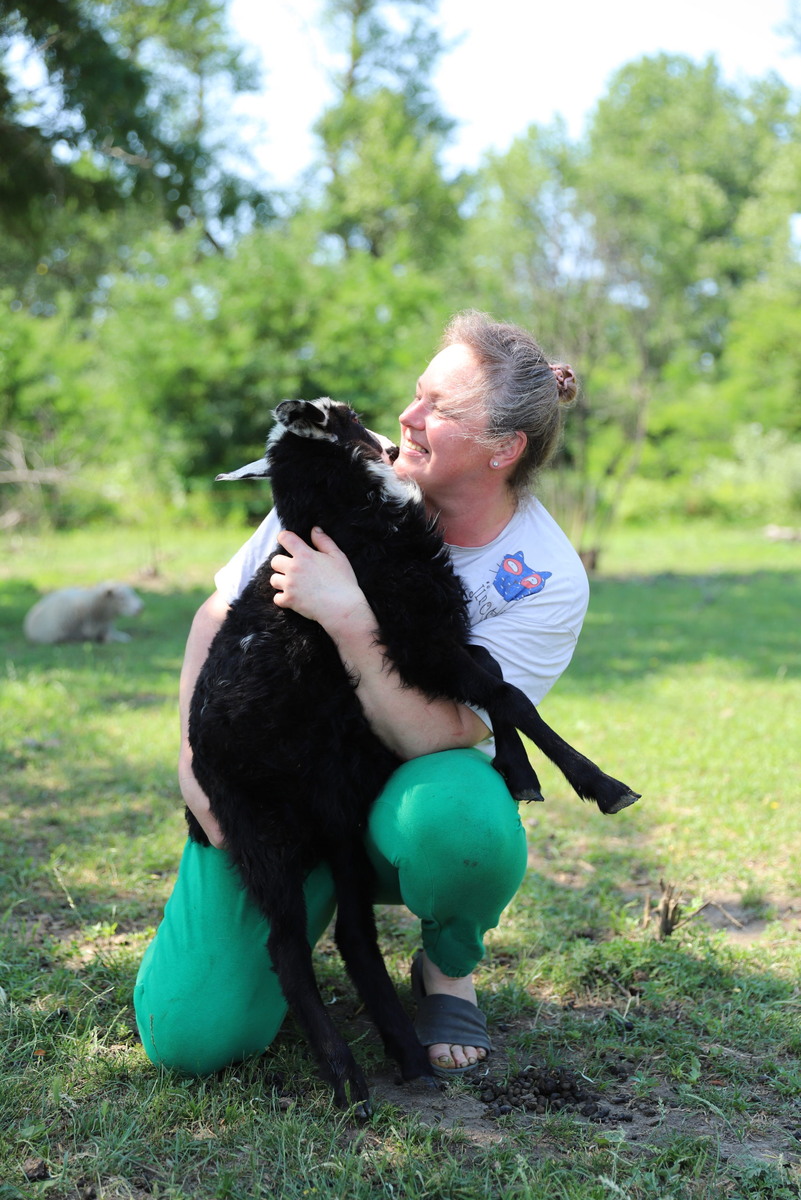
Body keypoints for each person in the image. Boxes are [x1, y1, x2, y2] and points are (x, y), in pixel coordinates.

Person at [134, 310, 589, 1080]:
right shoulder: (339, 478)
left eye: (440, 411)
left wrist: (348, 618)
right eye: (416, 394)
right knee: (191, 1037)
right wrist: (189, 758)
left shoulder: (543, 576)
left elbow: (440, 732)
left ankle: (446, 967)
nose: (407, 419)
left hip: (402, 795)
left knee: (464, 824)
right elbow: (219, 612)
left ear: (502, 449)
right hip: (283, 787)